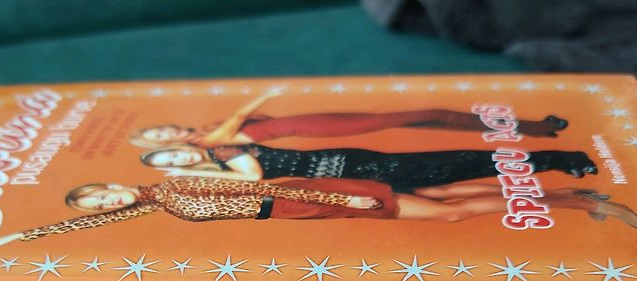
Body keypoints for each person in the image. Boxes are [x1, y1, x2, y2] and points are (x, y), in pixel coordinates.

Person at [0, 177, 637, 249]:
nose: (108, 204)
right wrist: (17, 237)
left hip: (299, 198)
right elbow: (86, 226)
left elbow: (255, 191)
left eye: (101, 195)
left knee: (442, 214)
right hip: (295, 216)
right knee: (441, 204)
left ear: (109, 184)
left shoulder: (173, 182)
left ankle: (577, 200)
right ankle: (573, 199)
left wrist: (338, 199)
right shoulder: (145, 206)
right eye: (100, 207)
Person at [130, 87, 570, 148]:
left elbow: (255, 119)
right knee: (426, 113)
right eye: (160, 135)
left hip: (313, 115)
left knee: (417, 120)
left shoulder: (204, 131)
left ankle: (535, 130)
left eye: (160, 127)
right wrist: (263, 95)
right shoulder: (204, 143)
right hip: (312, 127)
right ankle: (538, 129)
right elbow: (244, 118)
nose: (167, 130)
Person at [140, 143, 599, 191]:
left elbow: (255, 176)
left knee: (456, 165)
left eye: (173, 155)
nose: (179, 161)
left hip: (354, 163)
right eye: (171, 163)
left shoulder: (223, 153)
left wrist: (198, 173)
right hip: (350, 177)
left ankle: (563, 160)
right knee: (458, 173)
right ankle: (556, 165)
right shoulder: (217, 168)